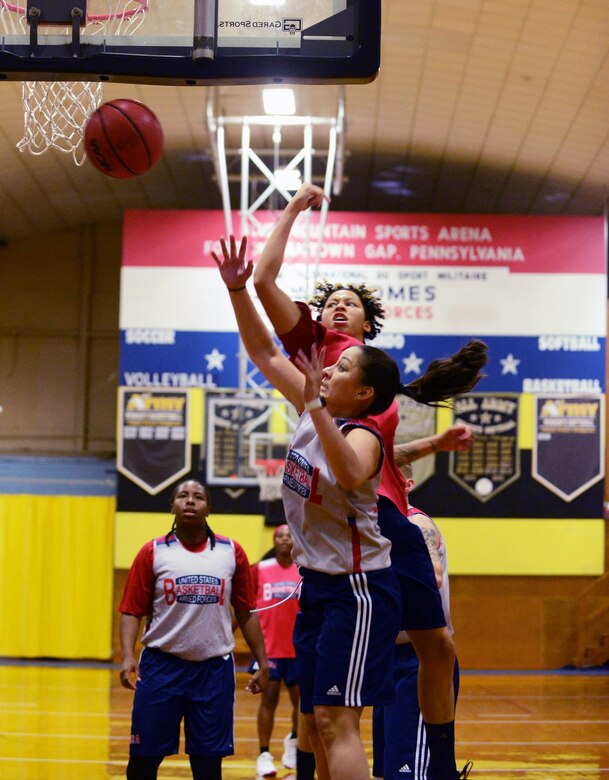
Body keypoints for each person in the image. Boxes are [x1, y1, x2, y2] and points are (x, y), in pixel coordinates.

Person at [212, 235, 486, 780]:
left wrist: (318, 398)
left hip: (372, 539)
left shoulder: (361, 398)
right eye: (330, 299)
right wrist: (242, 284)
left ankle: (441, 764)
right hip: (328, 563)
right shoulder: (318, 364)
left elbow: (359, 465)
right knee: (318, 715)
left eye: (350, 302)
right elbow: (264, 332)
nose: (337, 305)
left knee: (431, 651)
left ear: (366, 335)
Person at [119, 478, 269, 780]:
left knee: (208, 764)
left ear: (208, 508)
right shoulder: (153, 551)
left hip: (213, 672)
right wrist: (126, 655)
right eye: (183, 496)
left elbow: (246, 611)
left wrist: (263, 662)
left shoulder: (231, 551)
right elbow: (132, 609)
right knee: (144, 760)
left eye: (198, 497)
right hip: (161, 667)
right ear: (172, 506)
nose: (190, 501)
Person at [372, 464, 472, 780]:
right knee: (390, 769)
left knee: (411, 770)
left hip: (418, 659)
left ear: (407, 483)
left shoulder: (416, 523)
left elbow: (434, 576)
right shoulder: (377, 526)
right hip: (388, 659)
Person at [251, 524, 302, 778]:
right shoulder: (260, 569)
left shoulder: (304, 570)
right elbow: (245, 607)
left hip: (298, 649)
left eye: (289, 535)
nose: (284, 539)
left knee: (301, 703)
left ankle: (293, 741)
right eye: (280, 535)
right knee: (268, 700)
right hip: (269, 649)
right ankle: (264, 754)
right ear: (274, 540)